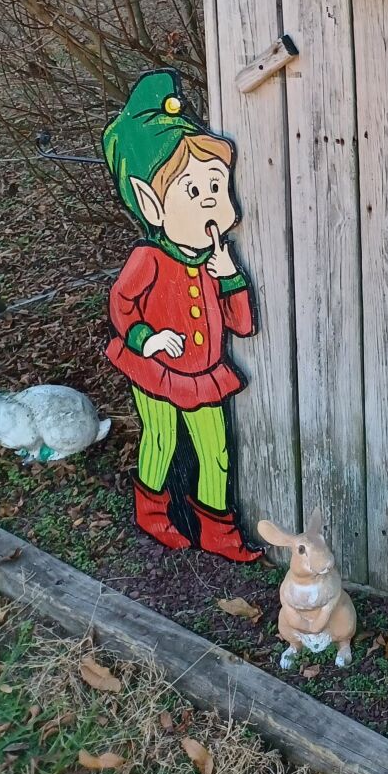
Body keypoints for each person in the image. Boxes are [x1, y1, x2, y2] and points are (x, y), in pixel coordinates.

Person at [103, 72, 260, 562]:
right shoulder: (148, 259)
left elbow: (243, 325)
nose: (211, 197)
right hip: (155, 369)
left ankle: (220, 532)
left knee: (215, 451)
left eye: (216, 184)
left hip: (205, 372)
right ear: (151, 203)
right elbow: (121, 306)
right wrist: (146, 339)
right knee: (162, 439)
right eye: (193, 191)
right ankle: (153, 513)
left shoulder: (214, 258)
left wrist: (231, 276)